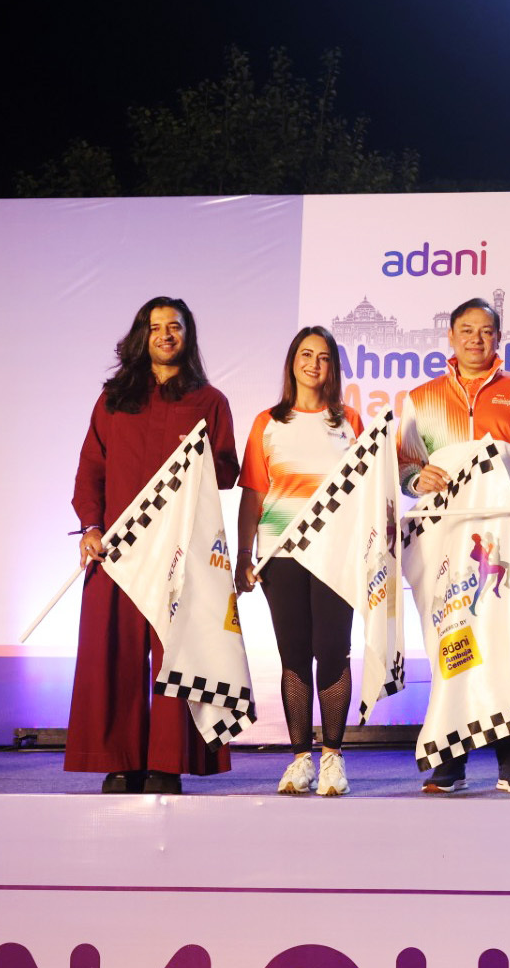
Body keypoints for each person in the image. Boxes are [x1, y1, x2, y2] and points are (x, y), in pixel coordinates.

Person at [69, 296, 239, 794]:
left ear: (188, 336)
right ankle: (119, 761)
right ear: (141, 336)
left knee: (176, 656)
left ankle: (167, 762)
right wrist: (91, 527)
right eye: (156, 327)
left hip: (180, 553)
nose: (166, 335)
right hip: (118, 550)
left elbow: (226, 471)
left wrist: (200, 460)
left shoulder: (209, 401)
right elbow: (90, 468)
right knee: (111, 653)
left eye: (176, 327)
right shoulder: (113, 398)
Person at [398, 297, 510, 793]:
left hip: (508, 537)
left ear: (498, 338)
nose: (475, 339)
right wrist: (413, 478)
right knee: (454, 641)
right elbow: (403, 465)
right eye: (466, 330)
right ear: (450, 337)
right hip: (446, 544)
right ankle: (450, 759)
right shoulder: (420, 398)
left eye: (486, 331)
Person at [236, 326, 362, 796]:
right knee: (293, 655)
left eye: (324, 357)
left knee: (333, 652)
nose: (314, 364)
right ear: (292, 363)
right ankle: (299, 760)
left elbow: (365, 493)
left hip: (335, 554)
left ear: (333, 367)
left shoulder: (348, 420)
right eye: (305, 355)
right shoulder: (267, 422)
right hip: (280, 555)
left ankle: (332, 758)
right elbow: (253, 493)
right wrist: (244, 554)